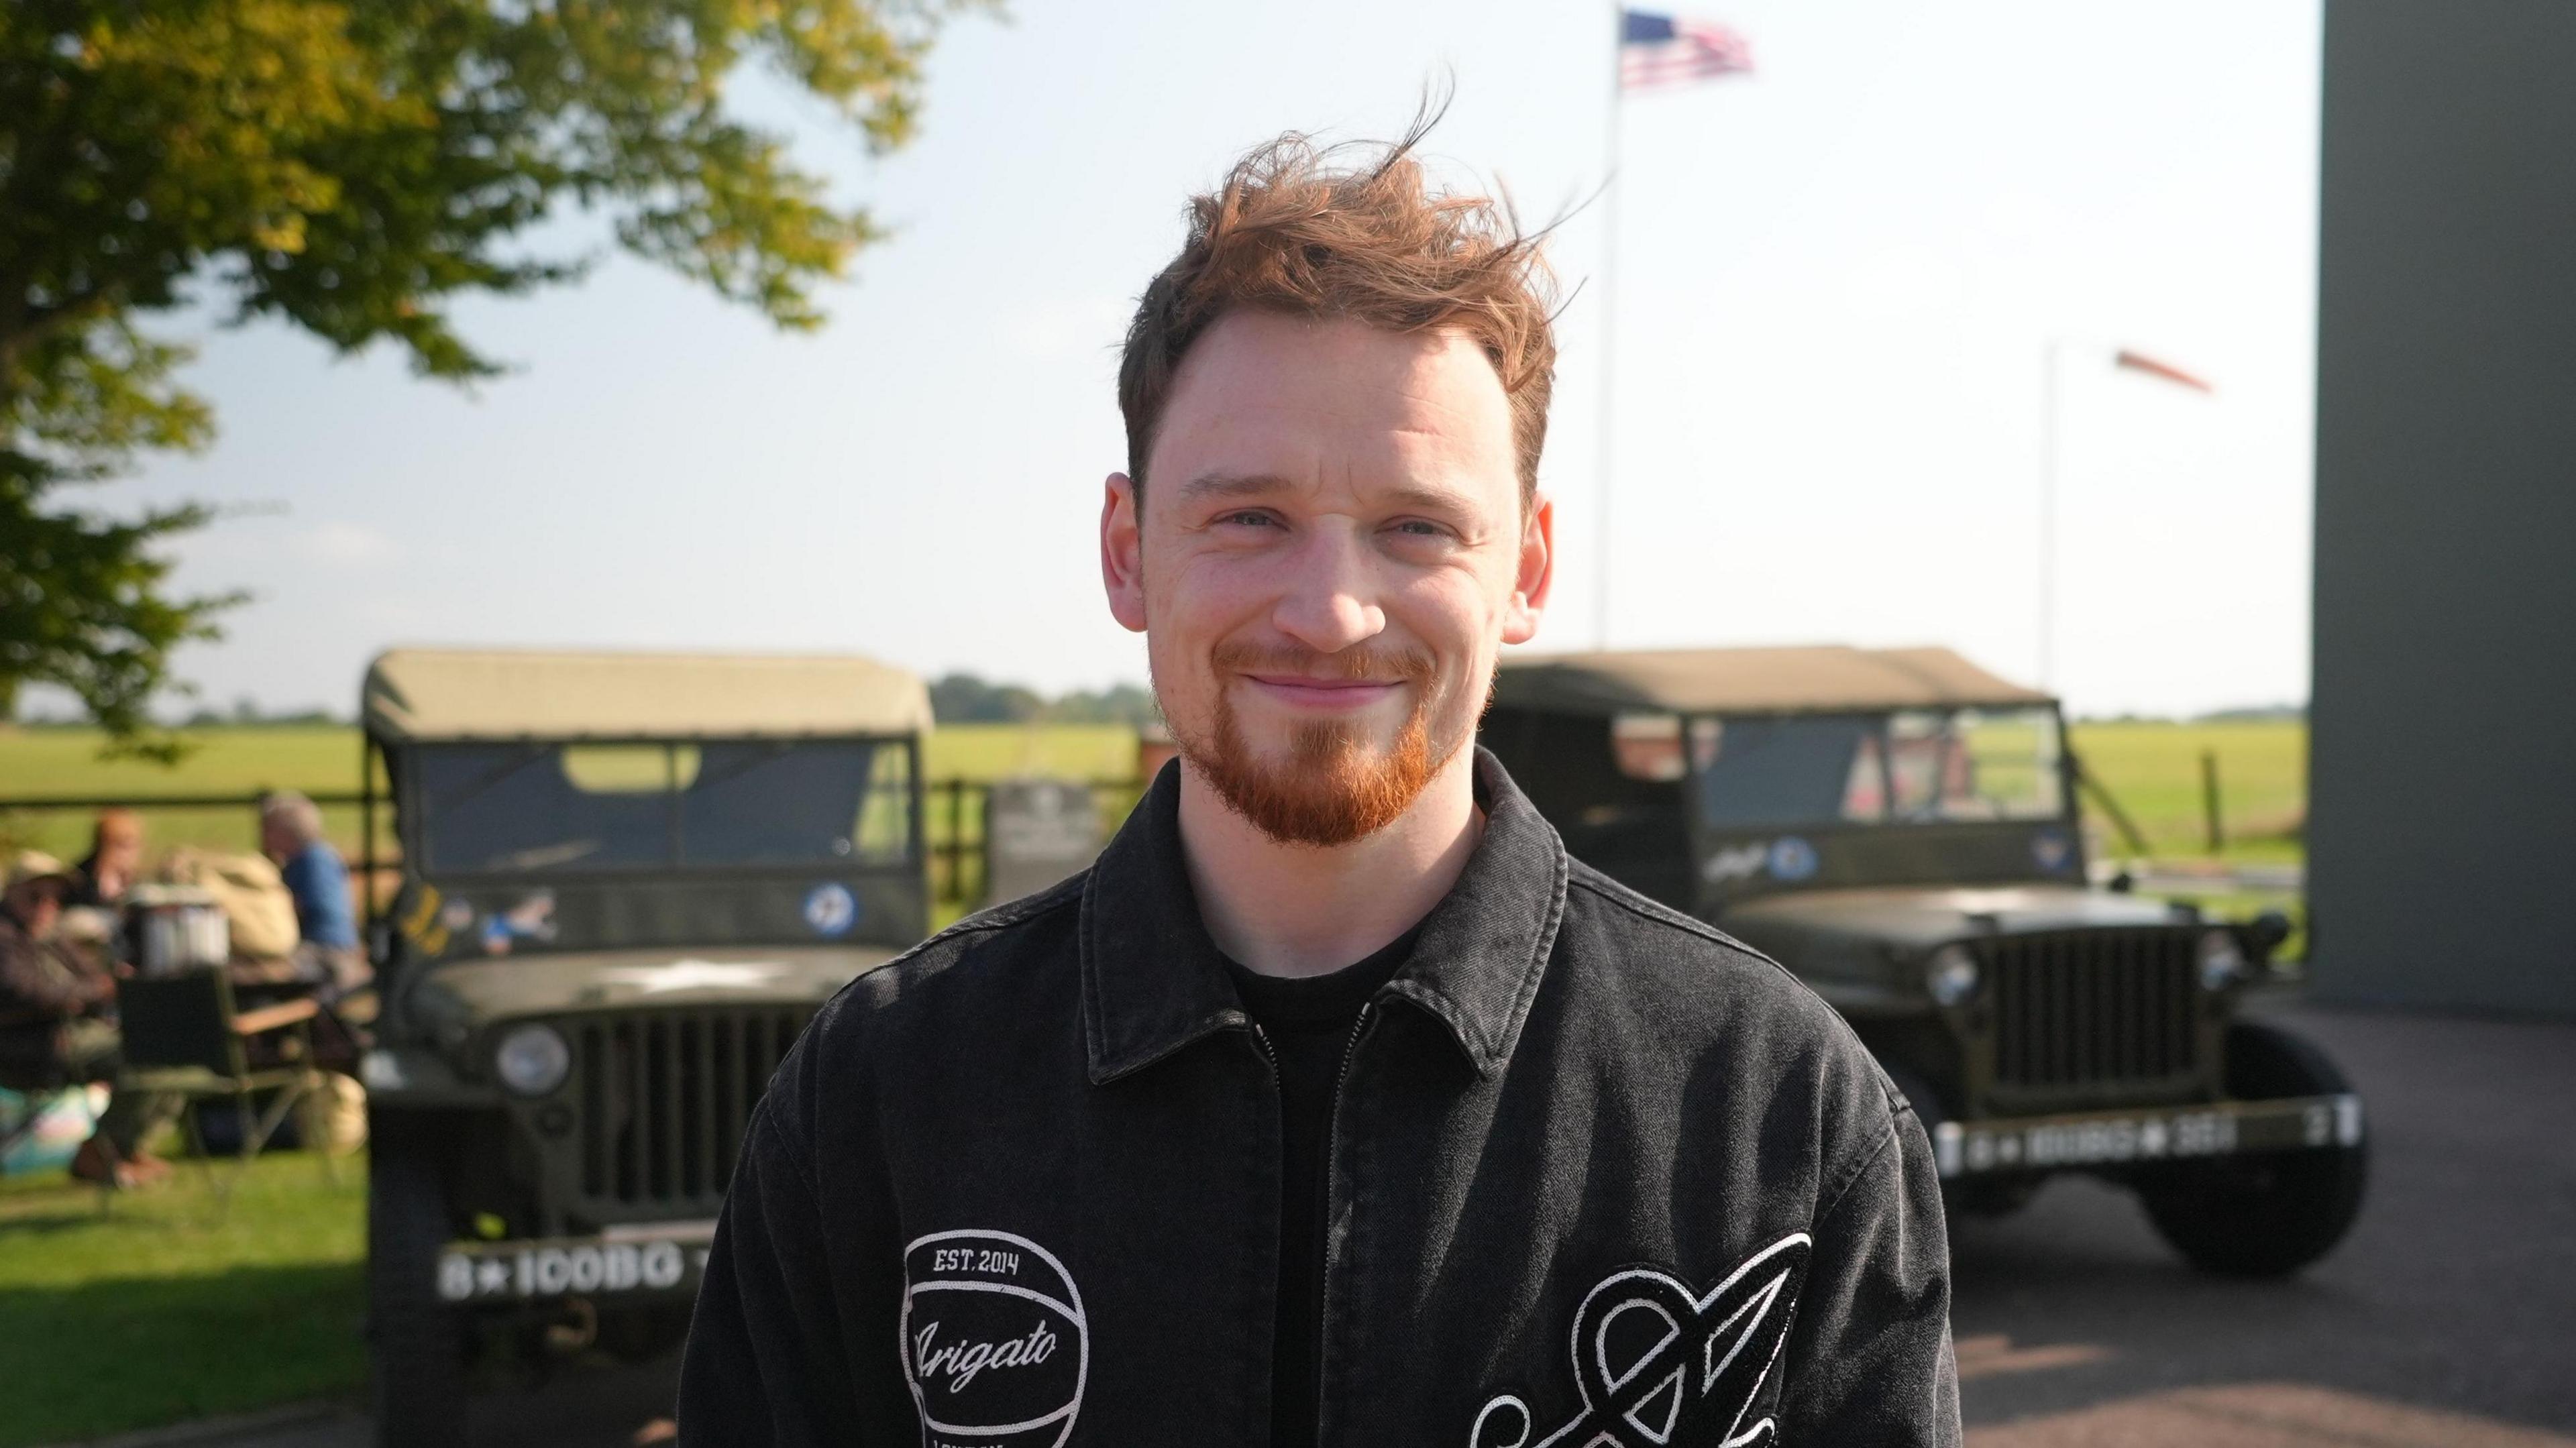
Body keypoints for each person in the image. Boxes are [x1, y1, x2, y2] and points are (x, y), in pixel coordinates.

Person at [679, 123, 1960, 1445]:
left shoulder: (1776, 1106)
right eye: (1250, 517)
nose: (1333, 610)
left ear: (1524, 566)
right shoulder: (885, 1094)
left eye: (1415, 525)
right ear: (1128, 552)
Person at [0, 851, 178, 1187]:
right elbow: (30, 993)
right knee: (145, 1055)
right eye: (35, 896)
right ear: (12, 893)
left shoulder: (51, 938)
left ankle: (123, 1148)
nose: (46, 905)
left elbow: (95, 980)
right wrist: (93, 992)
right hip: (32, 1046)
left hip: (73, 1034)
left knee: (171, 1052)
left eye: (54, 897)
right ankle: (99, 1155)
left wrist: (105, 988)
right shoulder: (6, 938)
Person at [258, 791, 368, 995]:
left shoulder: (313, 861)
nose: (264, 836)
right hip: (331, 949)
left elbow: (307, 908)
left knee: (260, 974)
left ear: (285, 832)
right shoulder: (313, 857)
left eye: (268, 829)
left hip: (326, 952)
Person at [66, 807, 144, 909]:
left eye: (135, 846)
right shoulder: (80, 879)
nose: (131, 854)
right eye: (123, 846)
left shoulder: (138, 880)